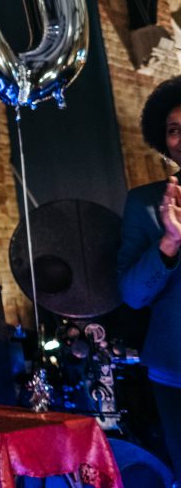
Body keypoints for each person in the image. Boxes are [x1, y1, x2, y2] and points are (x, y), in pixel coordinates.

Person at [118, 75, 181, 485]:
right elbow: (131, 295)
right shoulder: (144, 203)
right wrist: (169, 241)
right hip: (175, 372)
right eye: (174, 129)